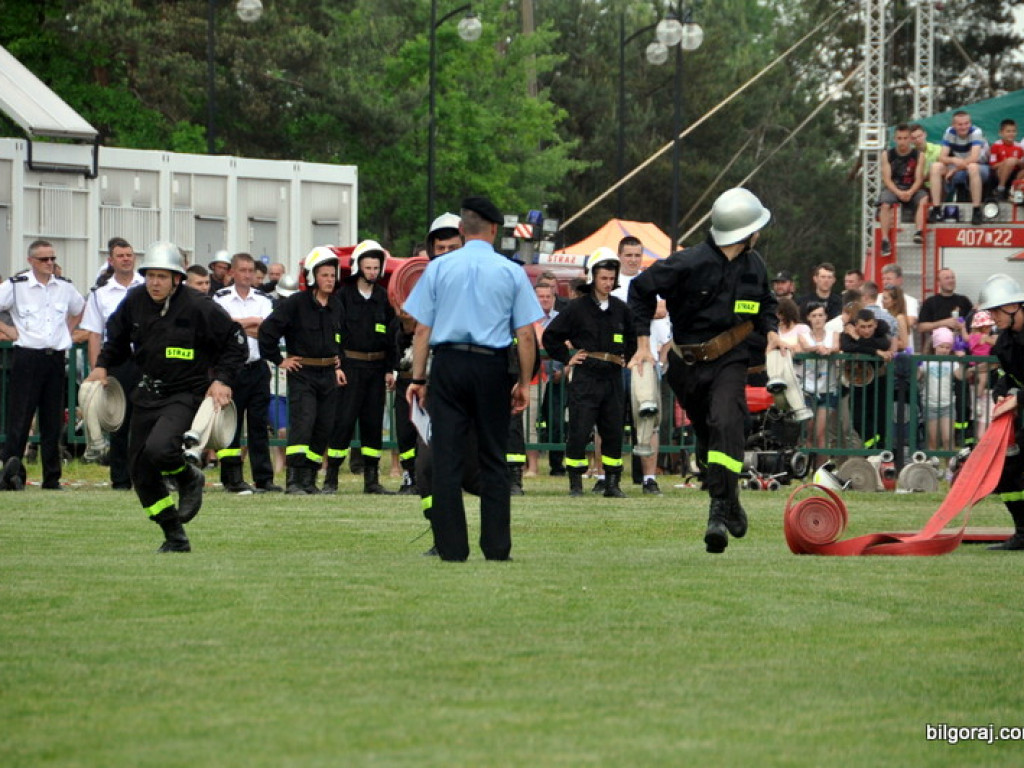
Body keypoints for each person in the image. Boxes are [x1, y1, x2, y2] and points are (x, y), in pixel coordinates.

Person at [629, 187, 780, 554]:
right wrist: (643, 344)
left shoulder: (756, 265)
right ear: (744, 232)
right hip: (686, 366)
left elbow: (766, 305)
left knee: (727, 421)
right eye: (756, 226)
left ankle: (719, 510)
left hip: (731, 362)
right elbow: (640, 289)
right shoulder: (686, 263)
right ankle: (728, 495)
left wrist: (773, 334)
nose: (759, 233)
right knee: (710, 436)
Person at [83, 241, 248, 552]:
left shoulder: (199, 306)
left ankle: (189, 479)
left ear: (177, 278)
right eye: (151, 276)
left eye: (162, 276)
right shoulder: (133, 301)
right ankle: (174, 535)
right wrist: (102, 367)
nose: (155, 283)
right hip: (147, 392)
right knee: (140, 472)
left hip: (186, 392)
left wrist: (223, 380)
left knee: (160, 449)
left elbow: (235, 340)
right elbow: (115, 337)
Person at [403, 196, 542, 562]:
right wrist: (524, 382)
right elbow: (526, 334)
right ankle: (496, 548)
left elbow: (421, 330)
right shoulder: (511, 271)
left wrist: (418, 377)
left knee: (447, 458)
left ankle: (452, 548)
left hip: (448, 365)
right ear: (494, 230)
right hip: (491, 366)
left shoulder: (439, 268)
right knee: (493, 458)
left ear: (462, 230)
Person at [543, 248, 637, 498]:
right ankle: (576, 482)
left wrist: (625, 357)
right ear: (593, 277)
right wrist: (568, 357)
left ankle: (612, 483)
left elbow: (631, 337)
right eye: (603, 277)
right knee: (579, 429)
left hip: (613, 377)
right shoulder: (577, 308)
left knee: (614, 430)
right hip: (586, 377)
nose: (608, 283)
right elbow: (551, 336)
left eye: (611, 278)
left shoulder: (621, 308)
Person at [258, 247, 347, 494]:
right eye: (324, 275)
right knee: (303, 424)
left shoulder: (337, 306)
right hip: (303, 374)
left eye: (332, 275)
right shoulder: (296, 303)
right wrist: (279, 359)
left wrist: (338, 361)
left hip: (328, 375)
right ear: (312, 278)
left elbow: (339, 338)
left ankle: (309, 478)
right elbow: (268, 331)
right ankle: (294, 479)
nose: (329, 280)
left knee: (323, 426)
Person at [0, 240, 85, 491]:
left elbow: (79, 309)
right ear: (31, 261)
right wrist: (8, 330)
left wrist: (66, 332)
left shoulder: (64, 287)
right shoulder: (17, 286)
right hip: (27, 355)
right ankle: (12, 475)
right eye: (44, 259)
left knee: (52, 419)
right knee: (20, 418)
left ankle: (52, 477)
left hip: (54, 356)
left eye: (52, 259)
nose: (49, 263)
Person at [322, 239, 397, 495]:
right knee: (342, 422)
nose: (373, 272)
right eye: (368, 267)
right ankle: (331, 478)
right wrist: (337, 364)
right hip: (351, 367)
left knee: (373, 423)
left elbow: (391, 336)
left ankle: (372, 480)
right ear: (358, 267)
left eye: (376, 268)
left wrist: (390, 369)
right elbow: (335, 333)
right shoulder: (343, 296)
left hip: (376, 369)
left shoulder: (383, 298)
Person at [213, 253, 280, 493]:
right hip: (232, 370)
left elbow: (269, 329)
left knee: (259, 426)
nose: (248, 274)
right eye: (242, 270)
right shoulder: (220, 298)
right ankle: (232, 478)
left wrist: (238, 324)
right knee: (230, 425)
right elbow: (221, 329)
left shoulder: (263, 298)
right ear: (232, 272)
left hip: (257, 368)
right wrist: (252, 323)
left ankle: (264, 478)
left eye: (251, 270)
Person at [79, 237, 143, 487]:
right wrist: (98, 370)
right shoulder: (100, 294)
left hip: (147, 358)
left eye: (129, 254)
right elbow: (95, 333)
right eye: (121, 255)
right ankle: (120, 478)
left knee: (146, 418)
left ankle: (144, 475)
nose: (126, 259)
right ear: (111, 260)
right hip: (117, 360)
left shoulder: (147, 286)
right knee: (118, 421)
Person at [975, 274, 1024, 549]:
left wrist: (1019, 400)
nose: (993, 317)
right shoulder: (1004, 343)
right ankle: (1022, 533)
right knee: (1008, 470)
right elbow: (1007, 376)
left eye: (996, 310)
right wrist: (1001, 393)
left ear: (1014, 306)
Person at [840, 308, 894, 448]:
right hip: (858, 380)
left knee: (881, 418)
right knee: (858, 419)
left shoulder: (881, 330)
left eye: (870, 326)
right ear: (856, 325)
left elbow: (883, 344)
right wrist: (875, 352)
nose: (866, 331)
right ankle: (871, 447)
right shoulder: (847, 331)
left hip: (879, 379)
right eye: (862, 327)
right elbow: (847, 347)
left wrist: (858, 339)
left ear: (875, 324)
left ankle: (882, 451)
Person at [928, 110, 990, 226]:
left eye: (966, 123)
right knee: (935, 167)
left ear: (970, 123)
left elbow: (974, 157)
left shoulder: (976, 132)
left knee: (972, 167)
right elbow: (942, 157)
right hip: (959, 165)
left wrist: (954, 169)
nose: (963, 127)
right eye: (960, 124)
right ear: (953, 125)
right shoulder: (949, 132)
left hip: (981, 167)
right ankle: (936, 209)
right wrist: (953, 160)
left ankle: (976, 210)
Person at [799, 302, 839, 466]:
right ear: (808, 318)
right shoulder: (804, 335)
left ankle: (821, 470)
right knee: (808, 432)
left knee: (821, 432)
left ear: (826, 317)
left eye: (820, 315)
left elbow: (836, 347)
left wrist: (828, 350)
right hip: (808, 389)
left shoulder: (833, 334)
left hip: (827, 389)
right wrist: (819, 348)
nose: (817, 319)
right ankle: (806, 468)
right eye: (814, 316)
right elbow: (806, 346)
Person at [878, 123, 928, 254]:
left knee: (924, 198)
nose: (902, 141)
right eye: (899, 138)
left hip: (912, 187)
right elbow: (887, 179)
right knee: (884, 204)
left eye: (905, 138)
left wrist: (910, 191)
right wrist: (898, 192)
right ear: (895, 139)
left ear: (910, 139)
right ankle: (885, 240)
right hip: (894, 187)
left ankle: (919, 232)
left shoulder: (919, 155)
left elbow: (919, 178)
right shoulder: (887, 155)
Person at [920, 327, 960, 453]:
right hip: (930, 405)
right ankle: (933, 468)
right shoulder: (927, 362)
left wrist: (962, 360)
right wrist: (915, 365)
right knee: (932, 440)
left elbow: (961, 376)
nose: (944, 350)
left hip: (947, 405)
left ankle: (950, 469)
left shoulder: (952, 362)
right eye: (941, 346)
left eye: (948, 347)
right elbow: (917, 376)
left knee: (948, 439)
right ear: (935, 346)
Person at [917, 268, 973, 352]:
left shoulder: (964, 301)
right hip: (937, 350)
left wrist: (962, 326)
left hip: (960, 348)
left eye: (952, 277)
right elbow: (921, 327)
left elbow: (973, 325)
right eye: (947, 278)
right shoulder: (930, 302)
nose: (951, 280)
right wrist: (943, 323)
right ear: (938, 282)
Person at [989, 118, 1024, 199]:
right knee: (1010, 161)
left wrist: (1017, 161)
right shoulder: (996, 146)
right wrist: (1007, 162)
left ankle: (1014, 190)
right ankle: (1000, 189)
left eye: (1014, 131)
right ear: (1001, 133)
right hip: (999, 173)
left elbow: (1022, 166)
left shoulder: (1019, 147)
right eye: (1008, 131)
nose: (1011, 134)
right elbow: (993, 166)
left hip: (1015, 173)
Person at [879, 264, 919, 329]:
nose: (885, 282)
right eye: (883, 279)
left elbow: (910, 321)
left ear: (899, 280)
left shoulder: (911, 301)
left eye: (889, 279)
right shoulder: (877, 298)